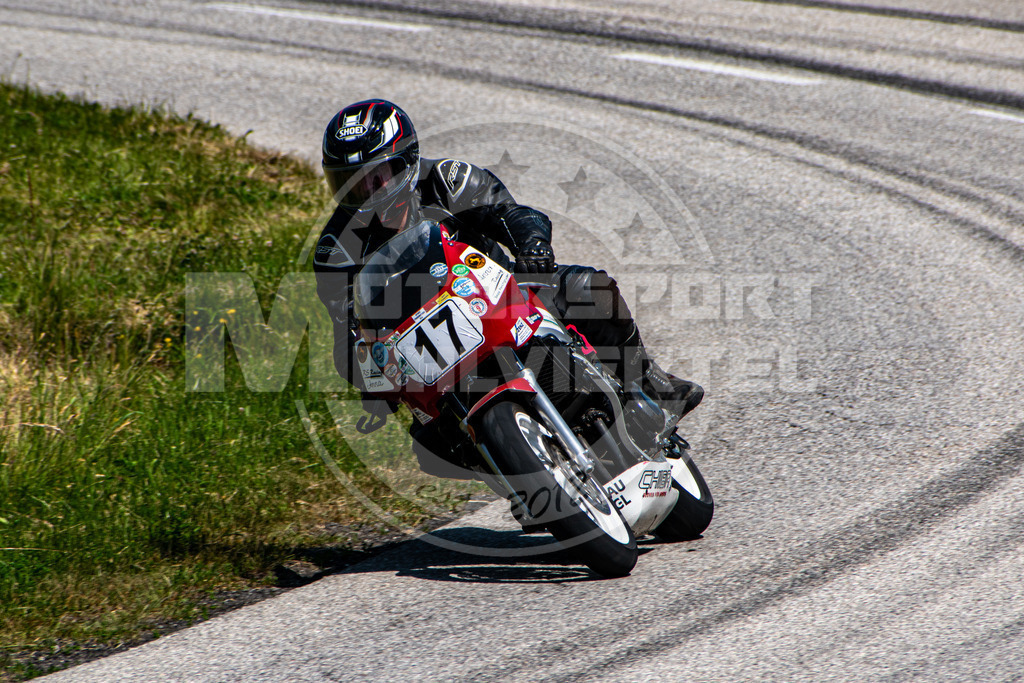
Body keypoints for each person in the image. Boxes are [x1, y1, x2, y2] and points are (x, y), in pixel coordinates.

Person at [312, 99, 702, 473]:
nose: (368, 192)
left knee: (587, 287)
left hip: (500, 296)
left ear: (408, 161)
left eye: (377, 176)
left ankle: (651, 382)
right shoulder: (336, 250)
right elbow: (345, 333)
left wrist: (533, 244)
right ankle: (523, 485)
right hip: (425, 353)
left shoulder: (447, 180)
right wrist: (369, 375)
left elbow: (511, 214)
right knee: (430, 447)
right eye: (350, 184)